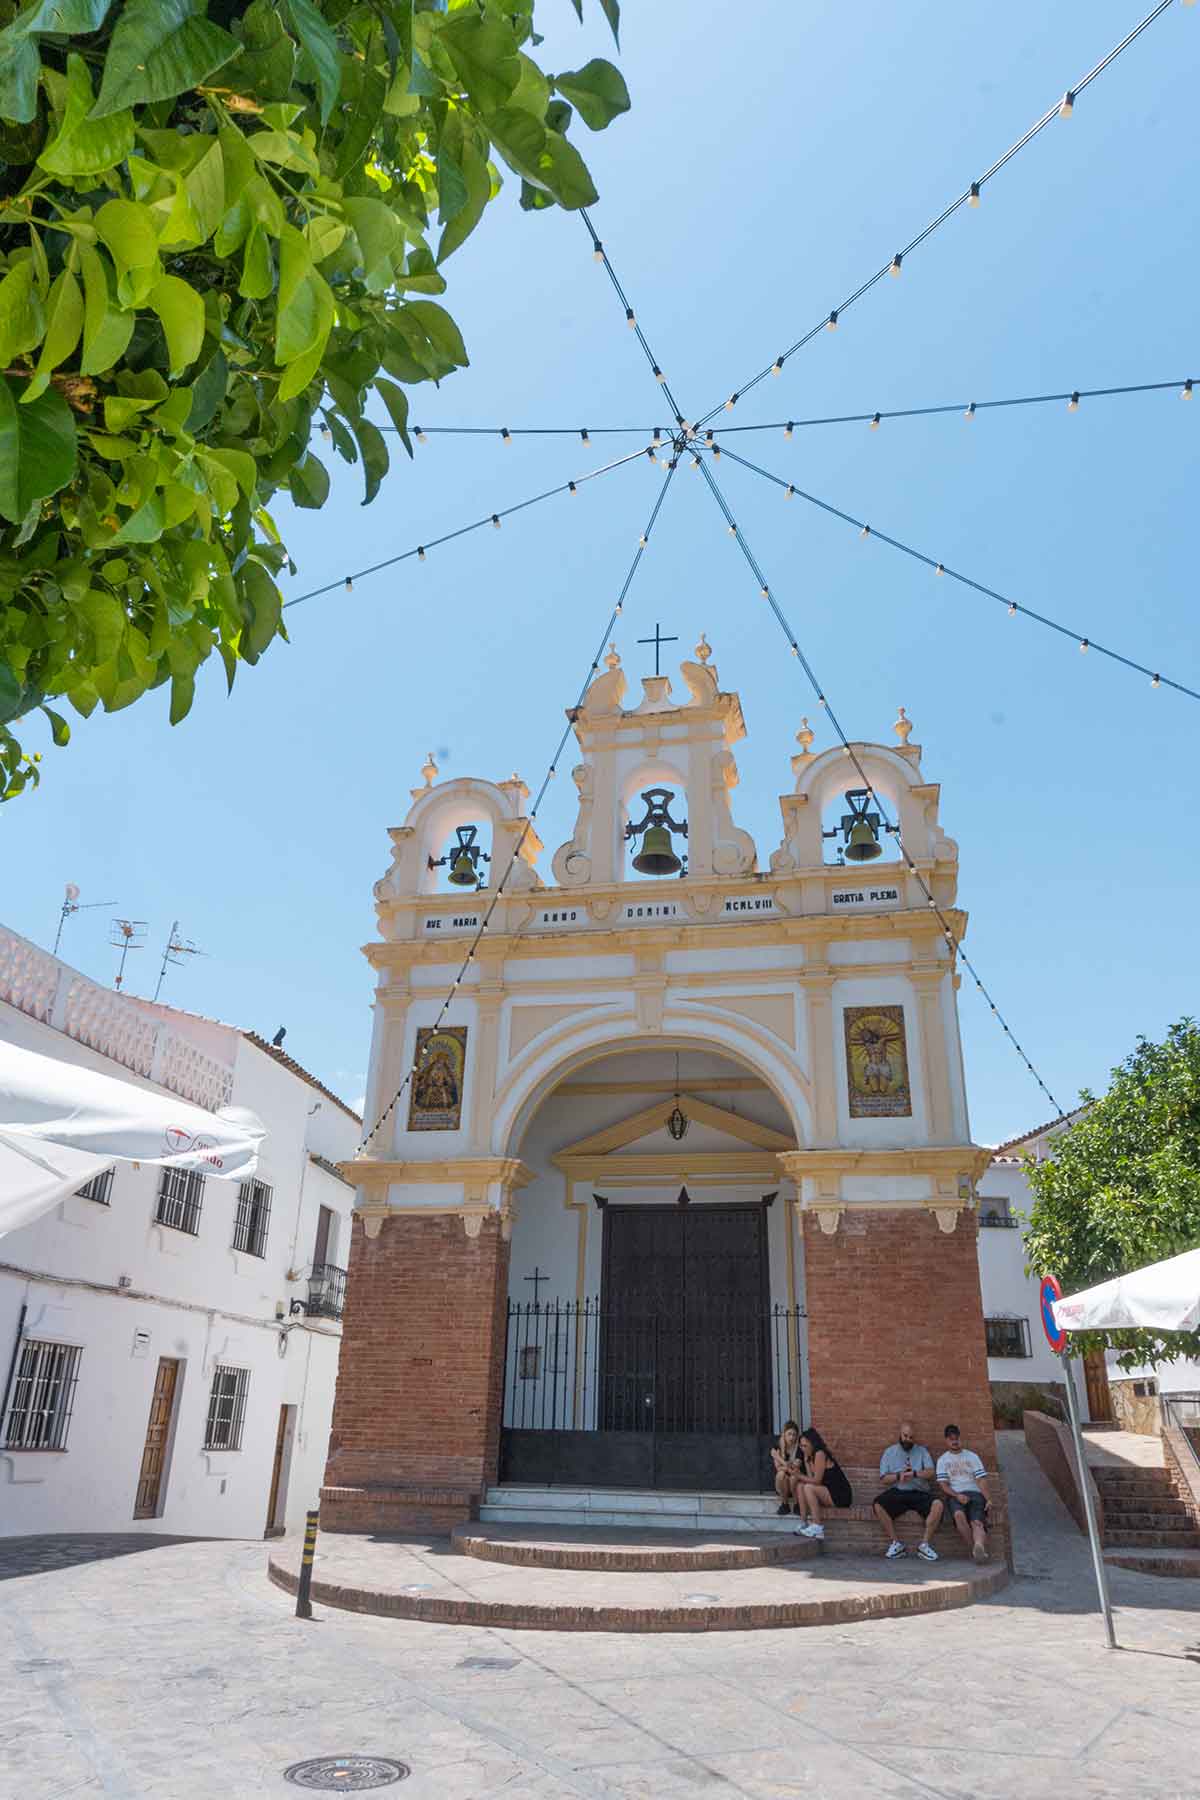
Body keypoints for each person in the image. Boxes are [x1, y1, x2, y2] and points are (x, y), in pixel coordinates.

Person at [872, 1420, 945, 1562]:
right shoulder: (889, 1452)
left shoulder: (922, 1451)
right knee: (878, 1504)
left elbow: (931, 1472)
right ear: (900, 1434)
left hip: (919, 1492)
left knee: (939, 1505)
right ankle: (896, 1544)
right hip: (898, 1491)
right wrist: (899, 1476)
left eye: (911, 1437)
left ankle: (924, 1545)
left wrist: (915, 1474)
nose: (908, 1440)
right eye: (905, 1436)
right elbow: (883, 1478)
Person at [936, 1424, 991, 1563]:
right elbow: (943, 1485)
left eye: (957, 1438)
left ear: (961, 1438)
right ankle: (975, 1549)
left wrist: (988, 1499)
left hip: (975, 1493)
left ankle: (978, 1546)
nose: (954, 1441)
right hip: (955, 1494)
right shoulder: (942, 1460)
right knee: (959, 1516)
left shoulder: (972, 1456)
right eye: (951, 1439)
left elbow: (981, 1480)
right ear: (946, 1441)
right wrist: (957, 1495)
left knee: (976, 1521)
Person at [794, 1428, 853, 1539]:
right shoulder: (811, 1456)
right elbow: (810, 1479)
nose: (802, 1449)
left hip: (840, 1495)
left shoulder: (820, 1454)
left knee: (807, 1487)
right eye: (801, 1446)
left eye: (805, 1446)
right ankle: (803, 1523)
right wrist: (806, 1461)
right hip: (827, 1491)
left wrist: (798, 1475)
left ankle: (817, 1527)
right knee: (800, 1486)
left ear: (813, 1443)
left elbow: (816, 1481)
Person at [770, 1420, 804, 1515]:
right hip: (782, 1486)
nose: (791, 1437)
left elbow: (796, 1467)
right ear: (784, 1434)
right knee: (781, 1475)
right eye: (789, 1434)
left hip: (794, 1485)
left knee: (793, 1477)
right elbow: (778, 1468)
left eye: (794, 1434)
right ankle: (785, 1505)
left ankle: (797, 1504)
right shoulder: (778, 1446)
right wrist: (785, 1463)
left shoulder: (799, 1448)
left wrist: (778, 1458)